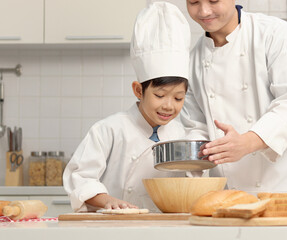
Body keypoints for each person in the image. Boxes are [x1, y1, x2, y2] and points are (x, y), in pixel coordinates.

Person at [181, 0, 287, 207]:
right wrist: (192, 161)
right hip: (239, 200)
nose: (203, 11)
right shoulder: (192, 60)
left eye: (213, 0)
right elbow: (197, 126)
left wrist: (247, 142)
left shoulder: (277, 34)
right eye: (194, 2)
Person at [63, 2, 194, 212]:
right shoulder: (109, 129)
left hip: (163, 228)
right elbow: (80, 178)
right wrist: (106, 200)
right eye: (160, 95)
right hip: (113, 226)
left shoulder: (182, 135)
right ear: (138, 90)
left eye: (178, 98)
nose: (169, 106)